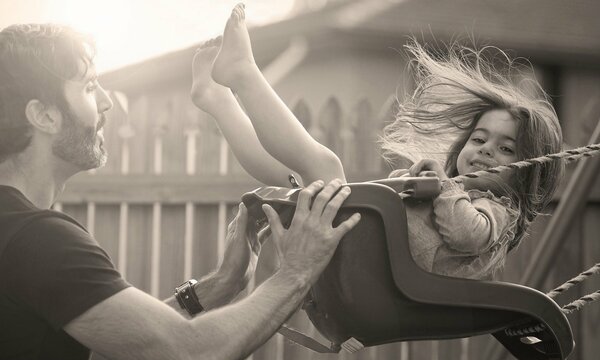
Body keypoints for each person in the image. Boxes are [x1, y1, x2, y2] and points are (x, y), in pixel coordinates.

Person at [0, 23, 361, 360]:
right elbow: (193, 359)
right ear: (44, 116)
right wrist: (296, 272)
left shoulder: (13, 232)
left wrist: (221, 284)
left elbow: (99, 358)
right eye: (90, 87)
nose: (107, 102)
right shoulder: (37, 240)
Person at [191, 4, 563, 280]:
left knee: (325, 169)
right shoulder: (453, 192)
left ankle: (242, 75)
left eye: (506, 149)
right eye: (479, 138)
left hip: (373, 265)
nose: (485, 150)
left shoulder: (500, 211)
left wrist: (444, 188)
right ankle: (220, 102)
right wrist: (407, 185)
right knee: (292, 173)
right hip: (366, 252)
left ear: (528, 174)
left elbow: (466, 234)